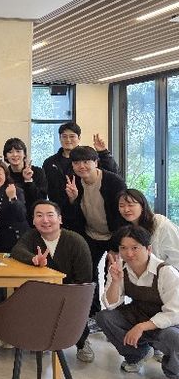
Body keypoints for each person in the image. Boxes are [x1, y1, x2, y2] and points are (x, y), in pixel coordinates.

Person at [11, 200, 94, 362]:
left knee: (75, 307)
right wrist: (34, 259)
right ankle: (41, 339)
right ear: (33, 220)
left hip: (70, 292)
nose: (45, 220)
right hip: (43, 292)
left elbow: (84, 278)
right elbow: (17, 250)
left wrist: (70, 295)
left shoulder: (76, 241)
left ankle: (82, 342)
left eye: (50, 215)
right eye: (39, 215)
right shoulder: (32, 236)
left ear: (60, 219)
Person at [96, 226, 179, 379]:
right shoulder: (119, 268)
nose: (129, 253)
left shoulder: (166, 272)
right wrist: (116, 281)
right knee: (104, 317)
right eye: (123, 248)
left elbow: (175, 312)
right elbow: (110, 305)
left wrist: (141, 327)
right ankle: (137, 355)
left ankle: (174, 371)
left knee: (174, 337)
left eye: (135, 248)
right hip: (138, 313)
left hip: (168, 322)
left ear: (148, 249)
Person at [66, 145, 127, 316]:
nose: (81, 166)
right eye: (77, 163)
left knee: (113, 274)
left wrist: (116, 245)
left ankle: (116, 316)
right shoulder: (73, 182)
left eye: (86, 162)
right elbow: (71, 217)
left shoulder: (113, 182)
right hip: (90, 234)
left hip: (114, 235)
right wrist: (73, 200)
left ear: (96, 162)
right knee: (87, 273)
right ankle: (92, 313)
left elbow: (122, 215)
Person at [43, 121, 119, 227]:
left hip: (83, 212)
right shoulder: (49, 162)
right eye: (64, 136)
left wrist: (103, 152)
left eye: (72, 136)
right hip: (57, 212)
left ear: (79, 138)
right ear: (60, 138)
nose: (68, 140)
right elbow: (46, 187)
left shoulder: (88, 158)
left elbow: (113, 172)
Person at [118, 189, 179, 267]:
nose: (126, 210)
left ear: (142, 206)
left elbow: (176, 257)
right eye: (121, 206)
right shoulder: (123, 229)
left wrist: (163, 272)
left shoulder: (161, 225)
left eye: (131, 205)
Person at [2, 137, 47, 218]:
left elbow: (41, 199)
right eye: (10, 152)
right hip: (12, 217)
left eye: (18, 151)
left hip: (34, 217)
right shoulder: (4, 175)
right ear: (5, 156)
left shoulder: (37, 172)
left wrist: (28, 180)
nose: (15, 155)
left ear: (24, 154)